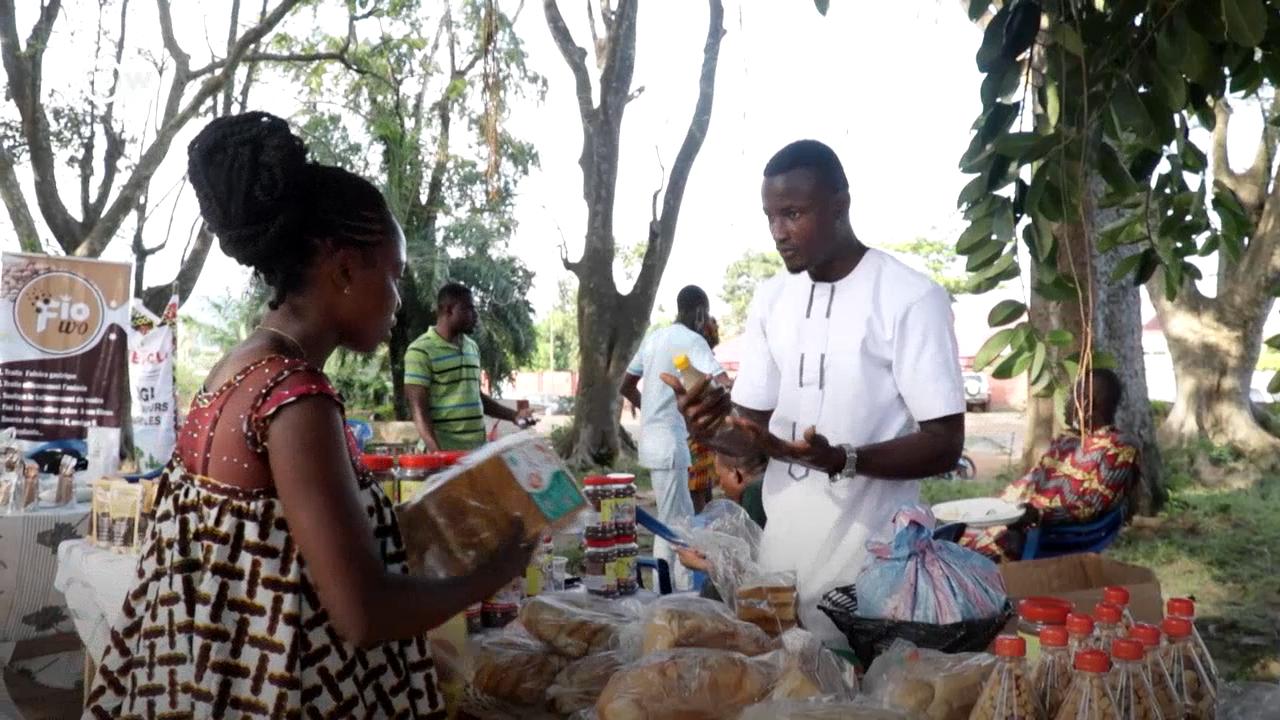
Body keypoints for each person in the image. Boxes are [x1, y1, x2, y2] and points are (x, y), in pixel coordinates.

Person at [85, 112, 534, 718]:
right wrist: (493, 573)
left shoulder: (235, 369)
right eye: (394, 275)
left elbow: (268, 542)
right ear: (344, 268)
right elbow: (364, 615)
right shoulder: (296, 398)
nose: (399, 300)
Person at [665, 140, 966, 645]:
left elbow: (945, 443)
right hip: (780, 564)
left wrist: (842, 459)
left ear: (840, 206)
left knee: (858, 685)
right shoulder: (771, 299)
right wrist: (708, 429)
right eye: (770, 216)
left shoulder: (911, 297)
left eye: (793, 214)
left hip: (872, 576)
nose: (778, 232)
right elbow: (748, 438)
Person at [961, 368, 1138, 561]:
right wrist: (997, 504)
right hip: (1023, 521)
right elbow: (1032, 479)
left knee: (962, 555)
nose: (1066, 403)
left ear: (1087, 403)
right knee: (954, 533)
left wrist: (1038, 515)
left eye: (1072, 397)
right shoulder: (1068, 440)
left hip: (1049, 535)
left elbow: (1090, 507)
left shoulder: (1117, 449)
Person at [619, 286, 729, 591]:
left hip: (654, 441)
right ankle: (673, 592)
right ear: (700, 312)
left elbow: (626, 385)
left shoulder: (654, 338)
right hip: (669, 444)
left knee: (676, 522)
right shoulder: (691, 340)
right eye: (706, 315)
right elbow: (722, 382)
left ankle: (672, 589)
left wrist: (651, 409)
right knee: (676, 525)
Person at [404, 283, 533, 451]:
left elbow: (475, 396)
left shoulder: (471, 347)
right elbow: (418, 410)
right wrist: (437, 454)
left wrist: (514, 416)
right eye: (468, 309)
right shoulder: (420, 351)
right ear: (449, 310)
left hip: (475, 452)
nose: (475, 315)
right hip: (443, 453)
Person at [688, 315, 724, 513]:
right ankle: (703, 523)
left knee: (700, 487)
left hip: (699, 432)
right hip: (703, 431)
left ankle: (701, 524)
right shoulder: (703, 359)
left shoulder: (698, 359)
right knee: (702, 486)